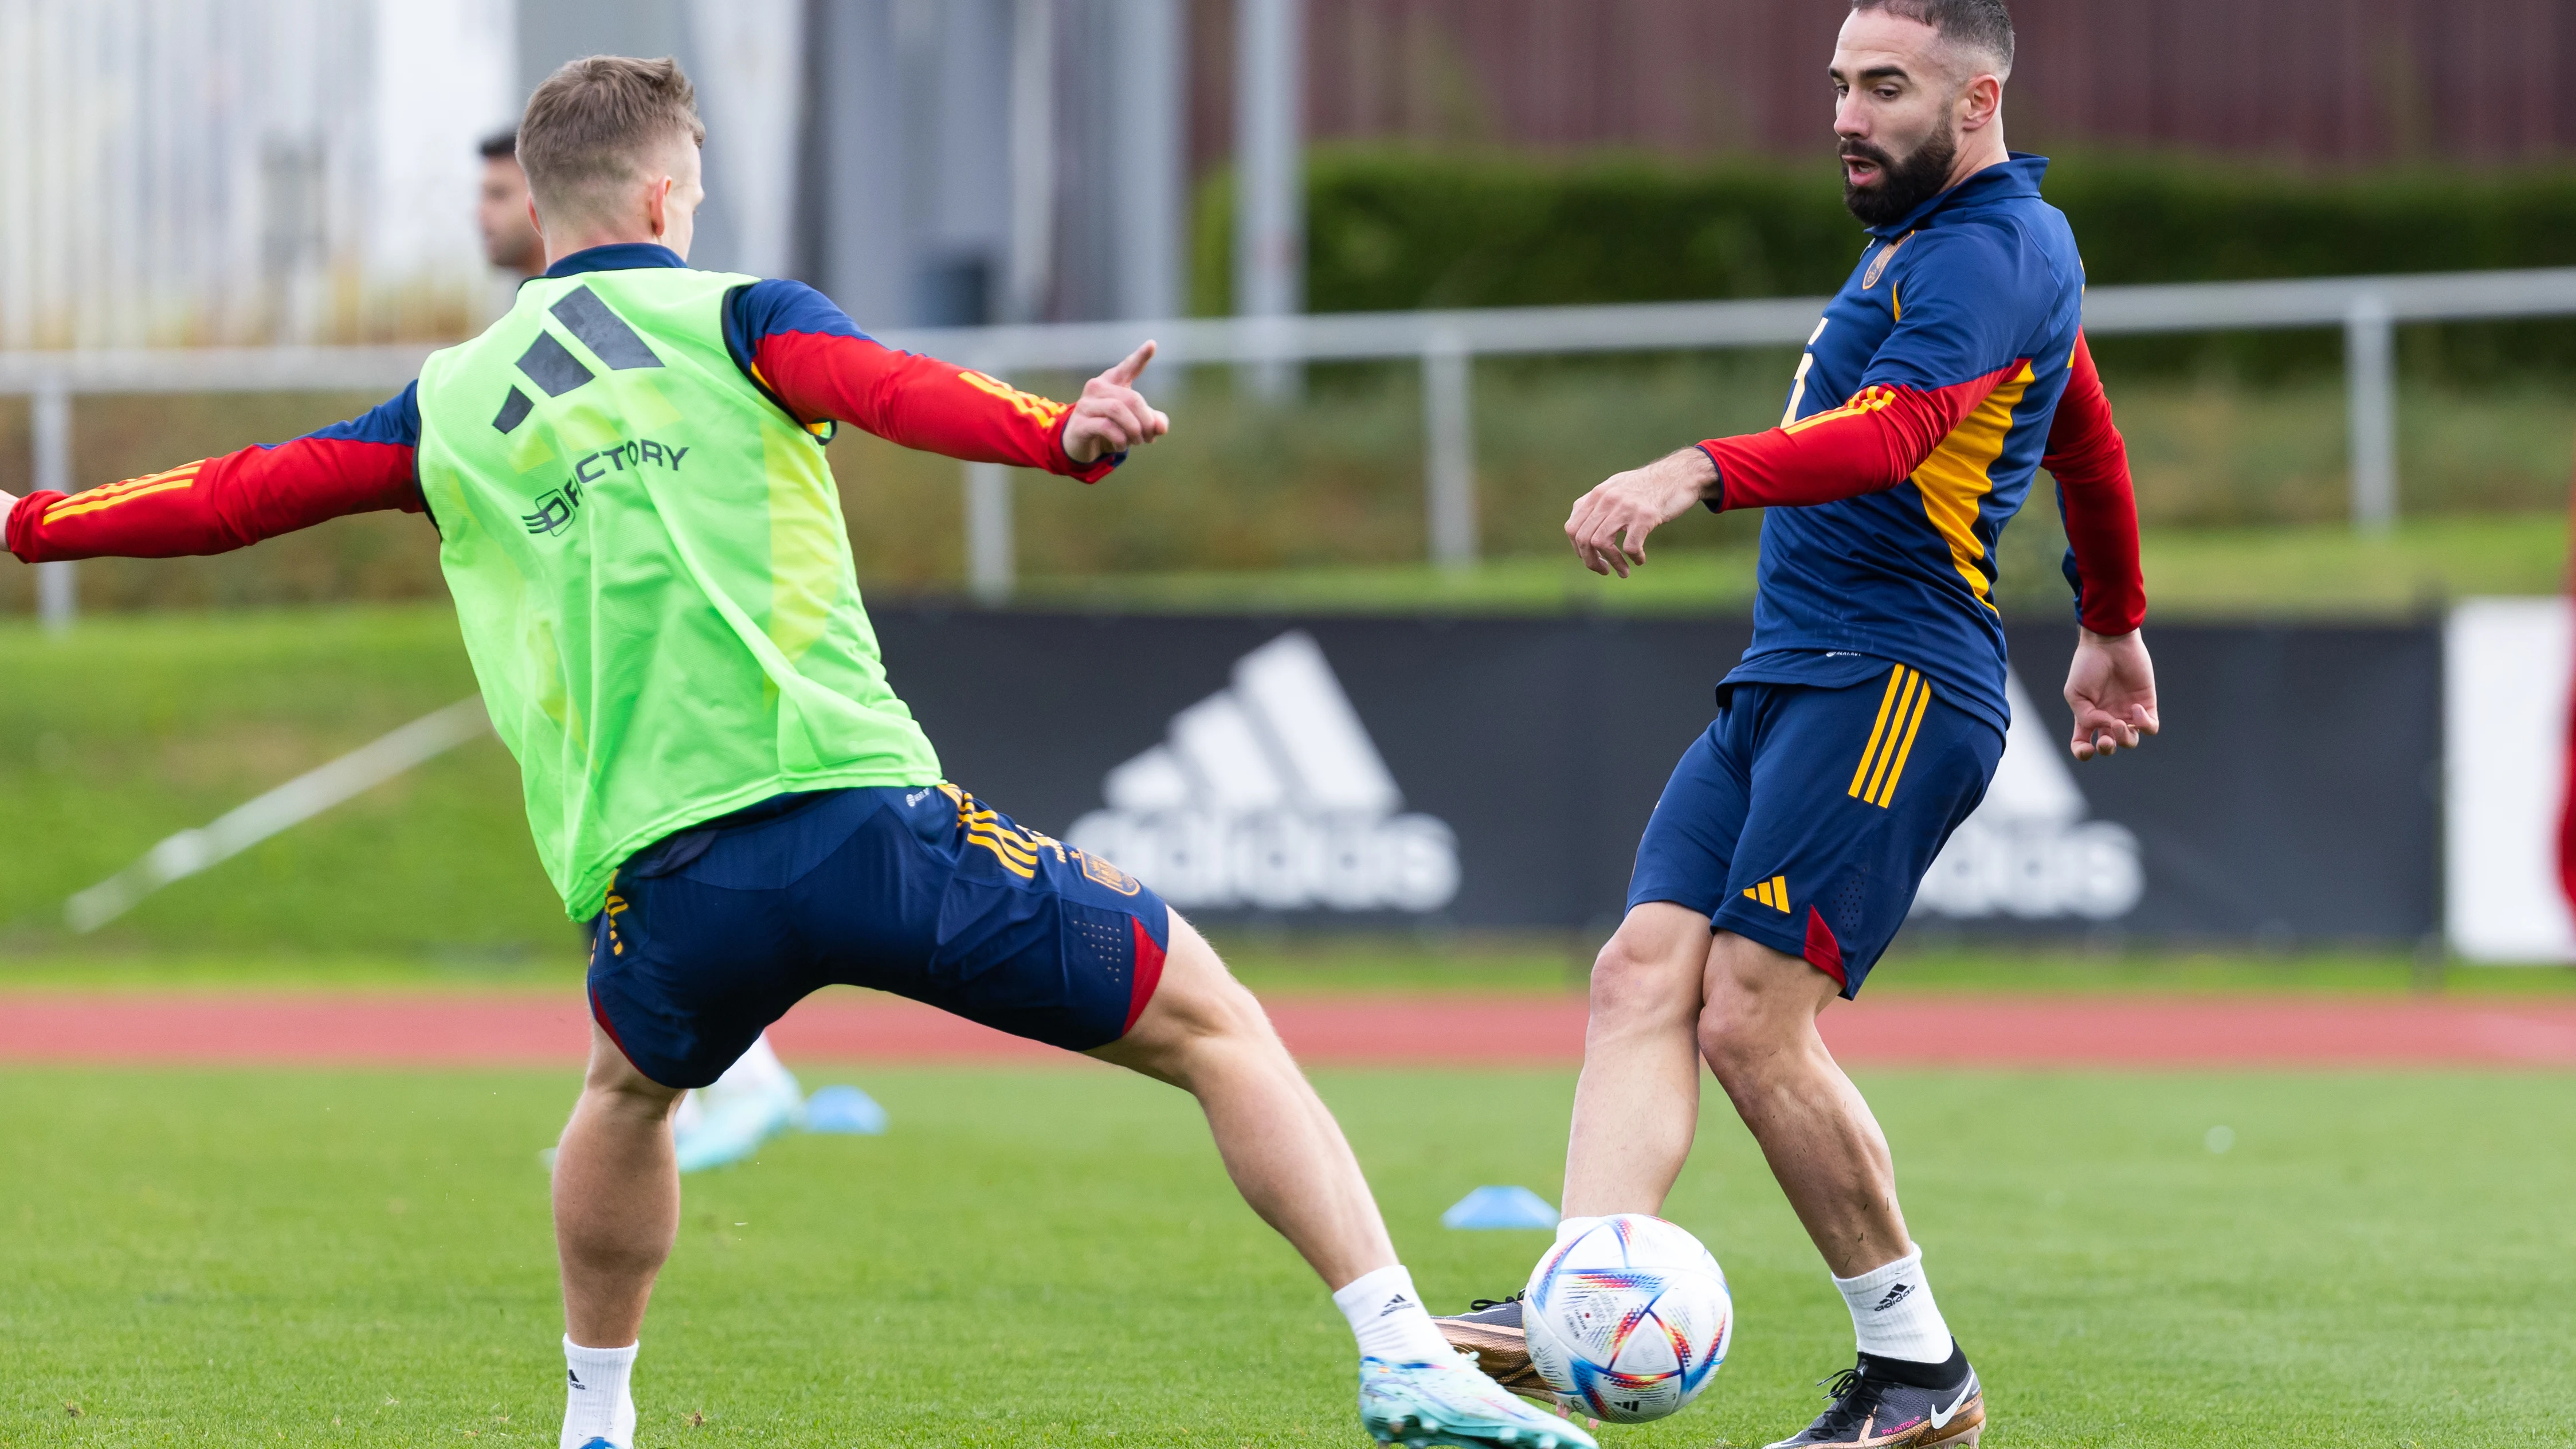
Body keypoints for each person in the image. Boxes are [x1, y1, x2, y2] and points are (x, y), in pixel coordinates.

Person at [2, 56, 1589, 1449]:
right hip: (855, 817)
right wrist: (1059, 431)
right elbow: (893, 392)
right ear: (666, 188)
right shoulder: (736, 315)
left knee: (623, 1098)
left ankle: (597, 1425)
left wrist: (23, 524)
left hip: (663, 880)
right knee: (1211, 1022)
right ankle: (1395, 1352)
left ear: (542, 203)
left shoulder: (450, 403)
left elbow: (223, 496)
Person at [1433, 3, 2156, 1447]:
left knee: (1754, 1018)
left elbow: (1890, 437)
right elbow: (2079, 425)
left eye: (1883, 86)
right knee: (1642, 971)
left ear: (1977, 98)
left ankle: (1917, 1373)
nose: (1844, 112)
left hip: (1895, 679)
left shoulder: (1990, 249)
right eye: (1837, 83)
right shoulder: (1943, 247)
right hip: (1794, 671)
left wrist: (1694, 467)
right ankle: (1589, 1284)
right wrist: (2113, 619)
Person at [481, 124, 806, 1175]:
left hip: (679, 694)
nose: (482, 216)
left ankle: (734, 1087)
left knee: (659, 872)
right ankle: (706, 1090)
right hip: (595, 690)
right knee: (627, 875)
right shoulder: (493, 363)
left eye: (497, 194)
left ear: (543, 206)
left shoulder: (695, 323)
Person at [477, 129, 545, 279]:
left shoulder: (584, 298)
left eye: (499, 195)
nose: (481, 212)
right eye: (483, 196)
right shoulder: (536, 297)